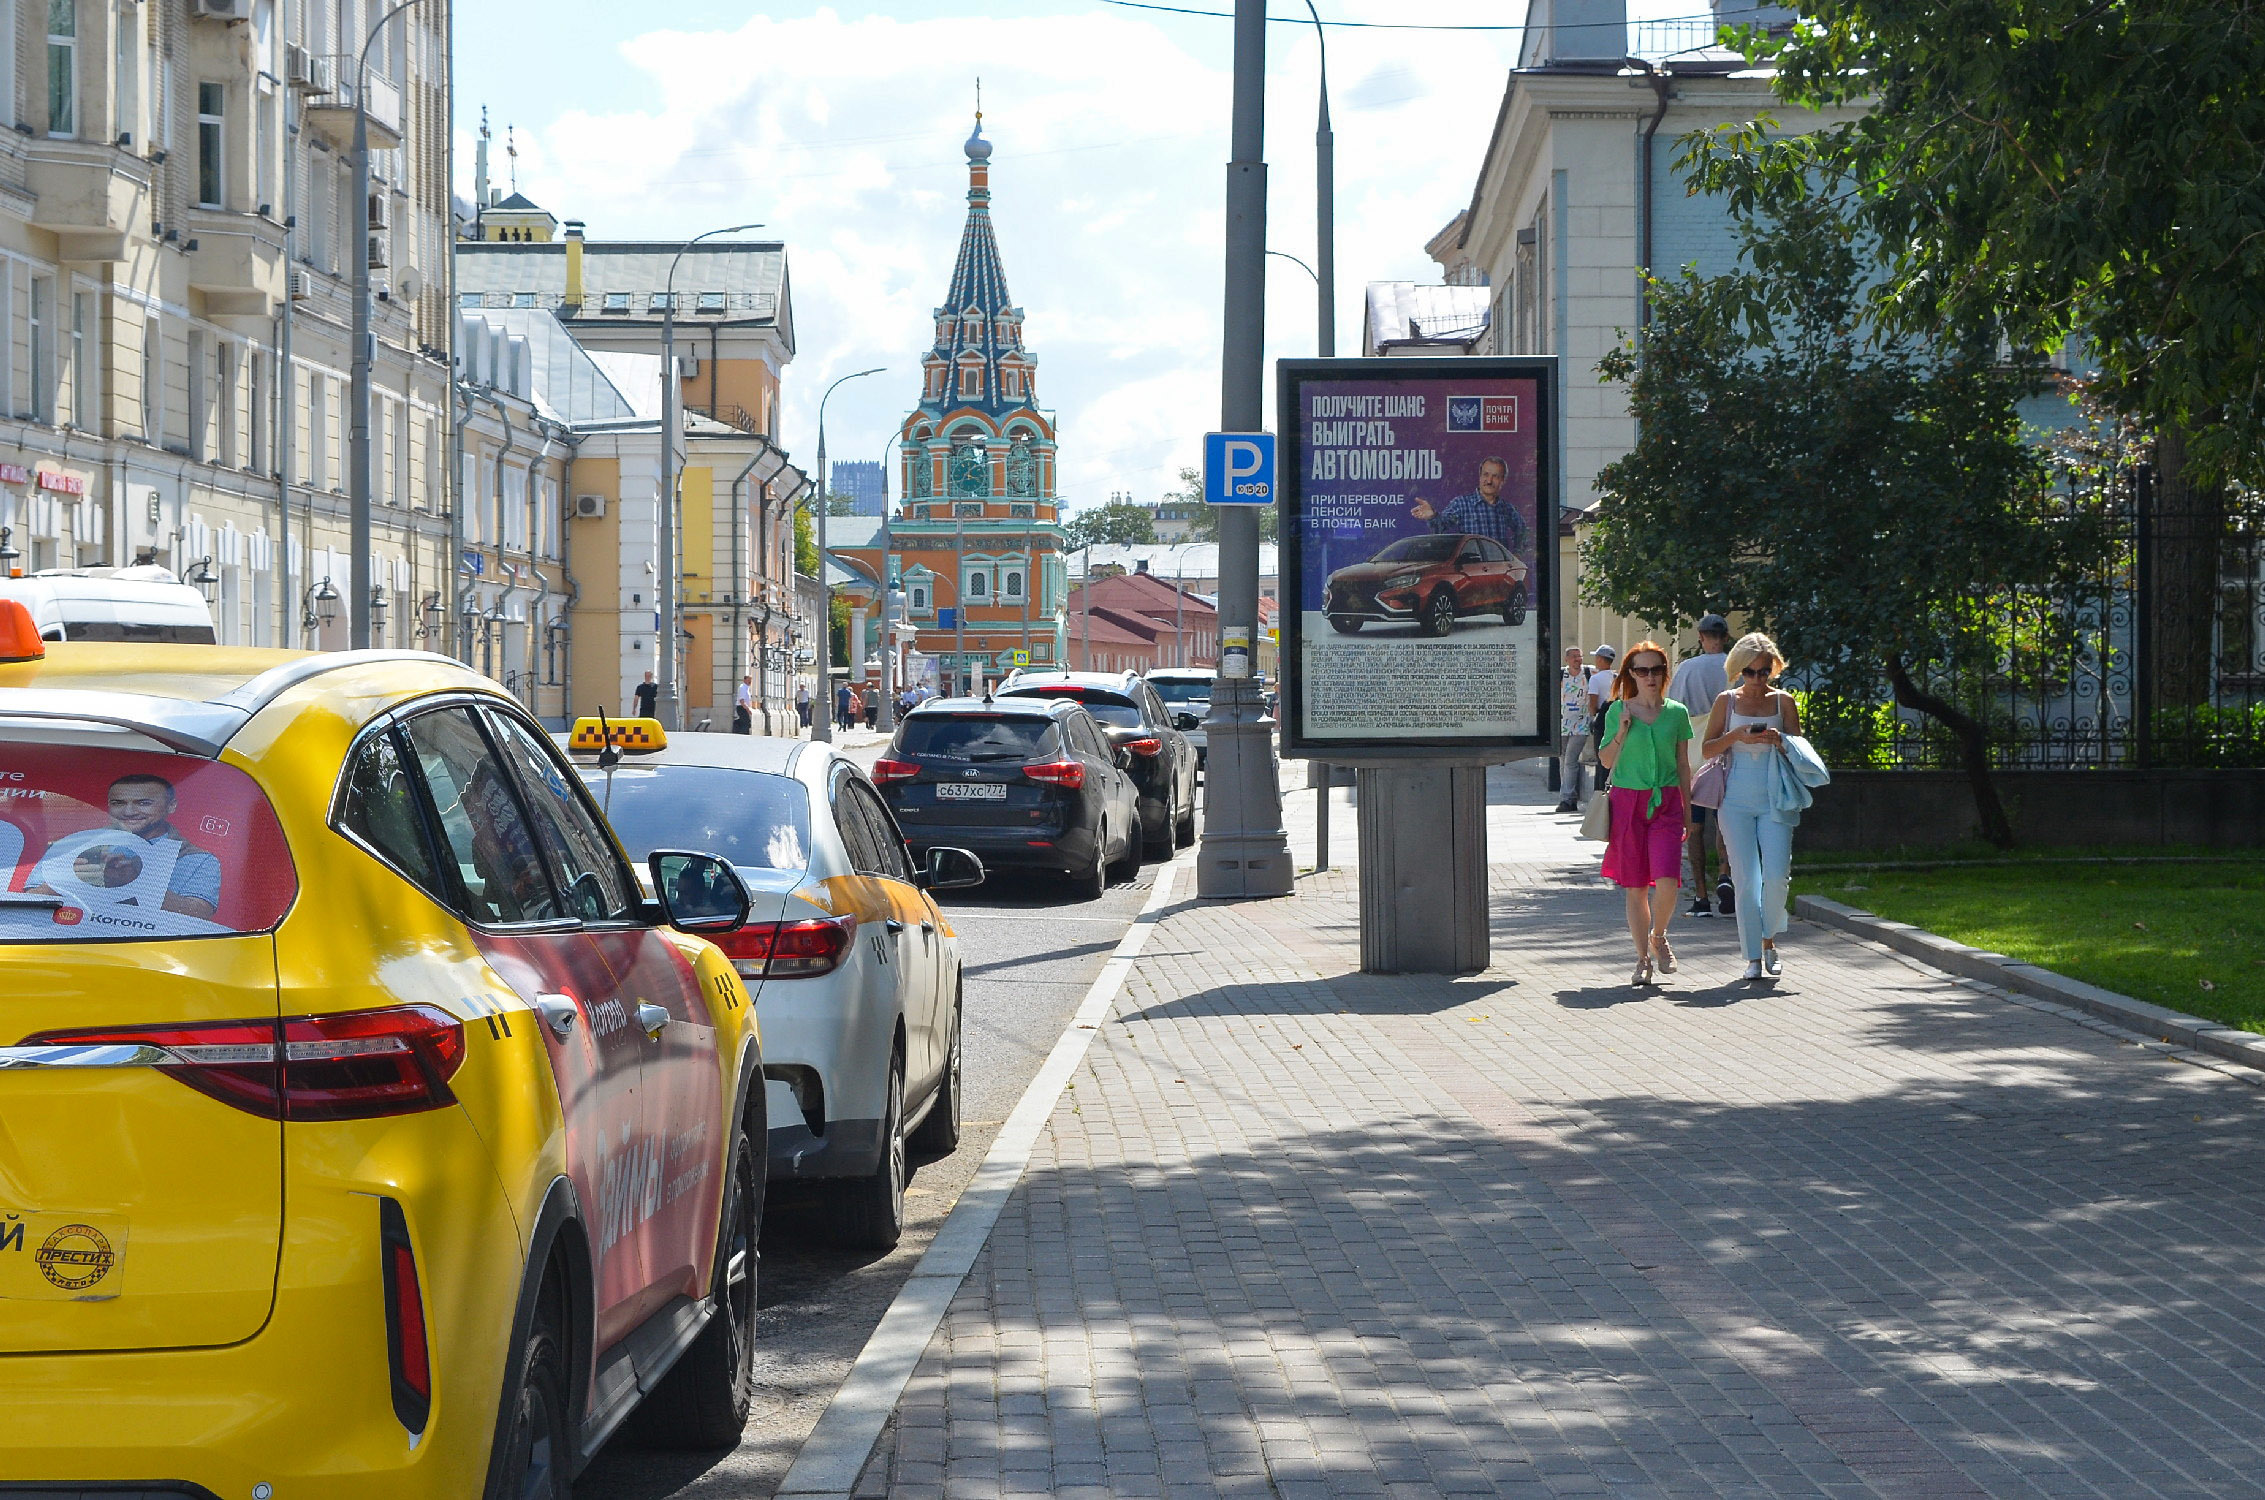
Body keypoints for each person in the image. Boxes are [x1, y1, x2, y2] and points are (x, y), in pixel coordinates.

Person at [1700, 632, 1803, 980]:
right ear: (1738, 670)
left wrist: (1781, 740)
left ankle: (1769, 940)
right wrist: (1736, 737)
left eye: (1764, 672)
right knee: (1746, 878)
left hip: (1775, 792)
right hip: (1735, 794)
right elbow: (1708, 749)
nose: (1758, 679)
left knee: (1776, 875)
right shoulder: (1725, 702)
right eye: (1750, 672)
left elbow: (1800, 752)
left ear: (1774, 669)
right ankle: (1752, 957)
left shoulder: (1784, 701)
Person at [1596, 642, 1693, 986]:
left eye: (1656, 670)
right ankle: (1641, 961)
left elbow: (1683, 764)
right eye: (1642, 670)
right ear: (1630, 675)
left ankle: (1659, 936)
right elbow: (1606, 760)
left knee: (1668, 880)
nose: (1649, 677)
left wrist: (1688, 810)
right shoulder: (1617, 711)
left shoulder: (1677, 713)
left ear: (1665, 674)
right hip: (1627, 803)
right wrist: (1622, 729)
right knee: (1635, 886)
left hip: (1666, 801)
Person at [38, 773, 223, 919]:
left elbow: (199, 915)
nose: (129, 811)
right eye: (118, 803)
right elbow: (31, 899)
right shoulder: (73, 845)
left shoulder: (198, 859)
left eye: (143, 803)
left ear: (171, 806)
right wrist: (69, 880)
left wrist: (135, 883)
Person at [1668, 614, 1732, 915]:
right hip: (1728, 753)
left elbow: (1674, 710)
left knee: (1693, 827)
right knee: (1725, 822)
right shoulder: (1736, 667)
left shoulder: (1688, 668)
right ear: (1726, 637)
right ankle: (1725, 876)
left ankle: (1701, 897)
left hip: (1693, 757)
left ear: (1701, 637)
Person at [1410, 456, 1528, 555]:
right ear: (1480, 476)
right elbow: (1441, 526)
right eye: (1486, 474)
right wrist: (1432, 516)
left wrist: (1517, 554)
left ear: (1503, 480)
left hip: (1499, 572)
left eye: (1495, 476)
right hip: (1472, 571)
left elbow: (1522, 529)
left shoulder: (1507, 509)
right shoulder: (1462, 504)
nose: (1489, 480)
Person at [1554, 645, 1592, 813]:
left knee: (1570, 760)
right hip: (1562, 724)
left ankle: (1567, 799)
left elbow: (1609, 677)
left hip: (1581, 725)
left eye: (1580, 656)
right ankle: (1568, 797)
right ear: (1567, 659)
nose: (1578, 659)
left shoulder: (1589, 673)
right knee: (1563, 759)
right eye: (1574, 656)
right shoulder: (1561, 674)